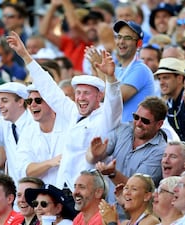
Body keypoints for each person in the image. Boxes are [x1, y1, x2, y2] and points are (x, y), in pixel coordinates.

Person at [7, 31, 122, 190]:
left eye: (87, 93)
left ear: (99, 96)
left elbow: (114, 103)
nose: (81, 97)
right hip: (64, 190)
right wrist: (25, 55)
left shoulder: (105, 117)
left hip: (90, 191)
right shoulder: (73, 112)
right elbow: (49, 88)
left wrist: (111, 78)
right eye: (78, 93)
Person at [87, 96, 167, 212]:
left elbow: (137, 188)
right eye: (136, 117)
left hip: (134, 217)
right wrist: (96, 155)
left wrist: (113, 174)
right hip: (108, 210)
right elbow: (93, 155)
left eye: (145, 120)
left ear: (159, 124)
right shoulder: (123, 129)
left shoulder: (161, 151)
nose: (138, 123)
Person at [112, 20, 155, 122]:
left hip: (133, 133)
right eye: (119, 37)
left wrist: (101, 72)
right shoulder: (117, 70)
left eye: (127, 38)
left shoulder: (141, 70)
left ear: (139, 44)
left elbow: (114, 100)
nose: (121, 41)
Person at [154, 57, 185, 145]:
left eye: (166, 78)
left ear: (179, 78)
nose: (161, 82)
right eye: (159, 79)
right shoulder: (169, 103)